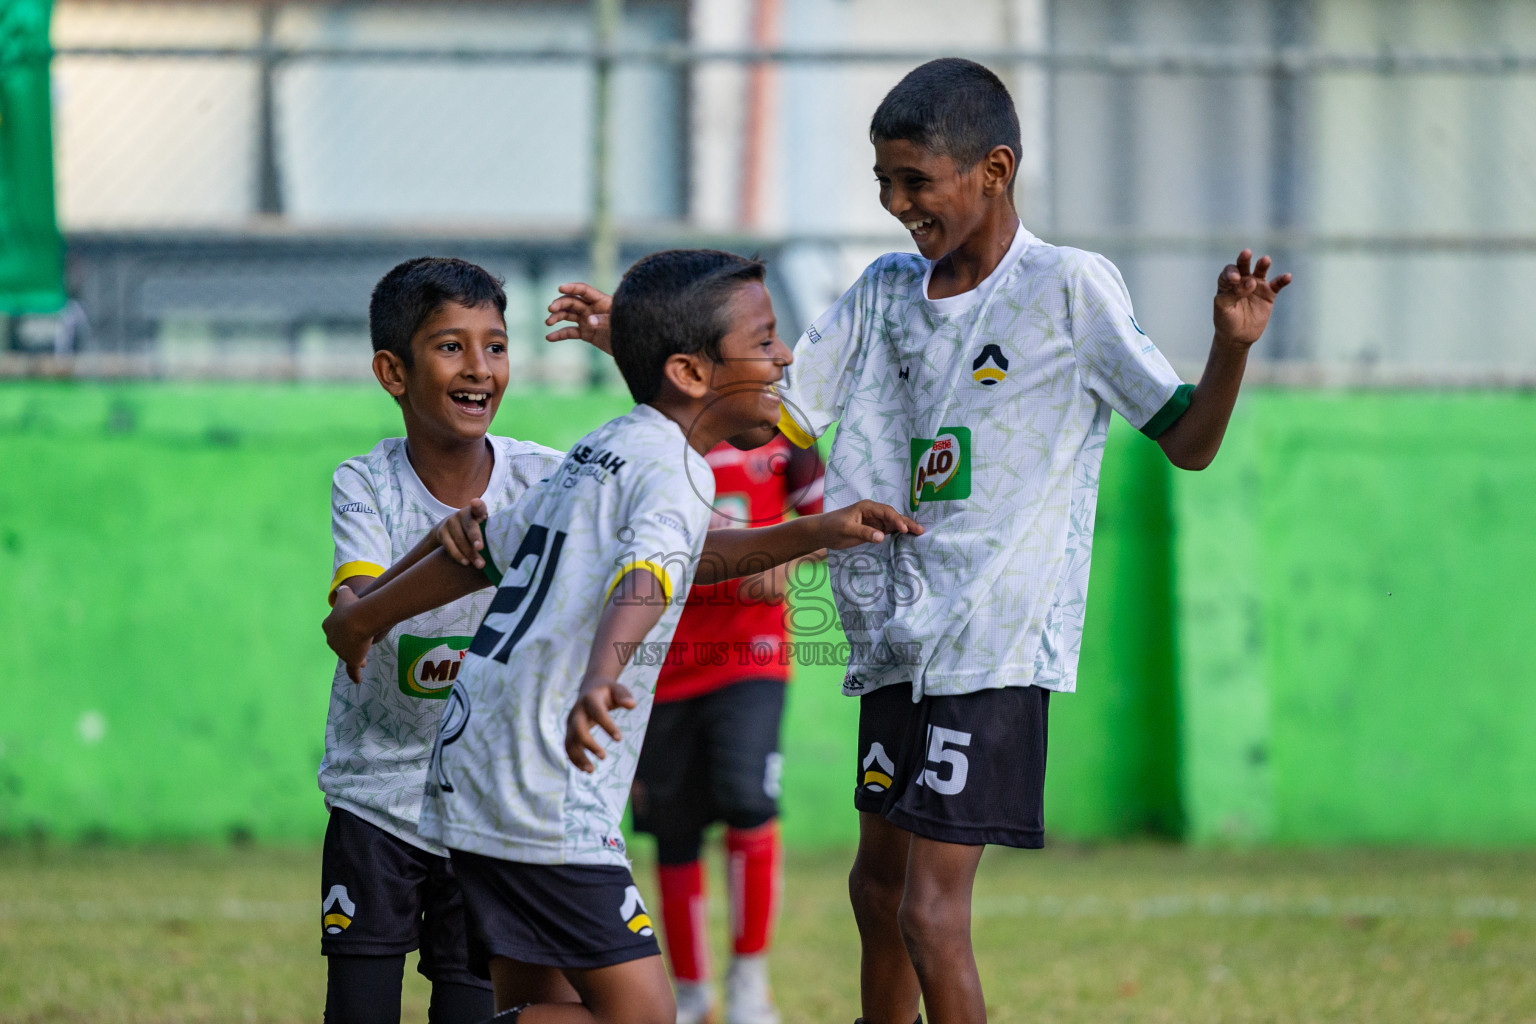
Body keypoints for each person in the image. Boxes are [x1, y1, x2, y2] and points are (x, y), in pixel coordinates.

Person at [543, 58, 1292, 1024]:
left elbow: (1186, 442)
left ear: (994, 168)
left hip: (991, 641)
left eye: (916, 182)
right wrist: (644, 345)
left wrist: (1229, 347)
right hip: (894, 638)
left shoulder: (1068, 289)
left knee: (933, 913)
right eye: (884, 184)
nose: (898, 204)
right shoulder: (883, 292)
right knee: (877, 893)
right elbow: (779, 412)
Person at [321, 248, 924, 1024]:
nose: (783, 358)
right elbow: (647, 577)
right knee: (641, 1016)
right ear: (691, 373)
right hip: (544, 788)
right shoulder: (674, 469)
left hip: (474, 769)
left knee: (536, 1001)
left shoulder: (600, 452)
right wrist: (603, 672)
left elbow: (485, 551)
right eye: (767, 339)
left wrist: (817, 530)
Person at [318, 257, 570, 1024]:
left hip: (490, 806)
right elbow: (354, 613)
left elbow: (669, 537)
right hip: (376, 799)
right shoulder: (365, 484)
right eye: (451, 347)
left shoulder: (547, 481)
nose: (480, 369)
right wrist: (436, 550)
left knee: (476, 1013)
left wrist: (806, 532)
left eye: (495, 346)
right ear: (392, 371)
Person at [630, 429, 824, 1024]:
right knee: (672, 827)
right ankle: (691, 993)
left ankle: (749, 983)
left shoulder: (789, 434)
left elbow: (829, 523)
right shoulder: (656, 435)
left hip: (752, 654)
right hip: (663, 665)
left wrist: (786, 559)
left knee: (747, 799)